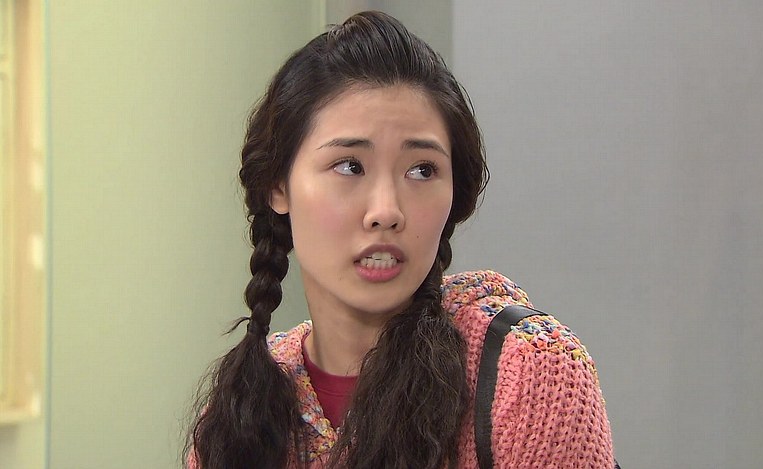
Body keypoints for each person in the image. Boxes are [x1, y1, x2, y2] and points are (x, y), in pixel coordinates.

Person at [186, 11, 614, 469]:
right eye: (350, 166)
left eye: (422, 170)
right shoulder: (239, 415)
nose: (387, 211)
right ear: (278, 185)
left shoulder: (530, 375)